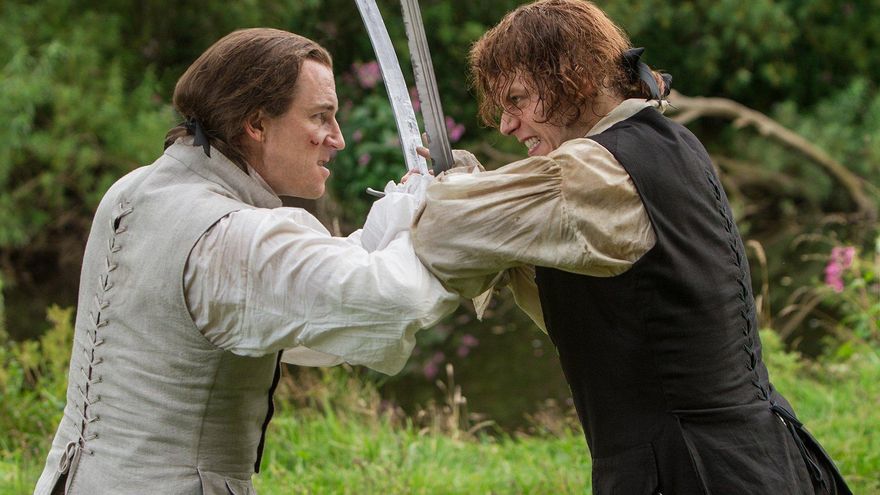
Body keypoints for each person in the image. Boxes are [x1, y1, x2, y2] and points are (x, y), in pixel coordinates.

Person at [411, 1, 851, 493]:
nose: (507, 125)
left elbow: (442, 232)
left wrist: (443, 191)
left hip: (692, 472)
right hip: (753, 459)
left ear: (573, 78)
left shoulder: (598, 171)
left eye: (518, 99)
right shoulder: (665, 142)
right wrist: (473, 187)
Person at [35, 28, 458, 494]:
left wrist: (407, 208)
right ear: (256, 124)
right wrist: (453, 214)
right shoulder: (231, 237)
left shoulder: (133, 191)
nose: (337, 138)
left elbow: (310, 298)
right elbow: (392, 301)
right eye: (320, 117)